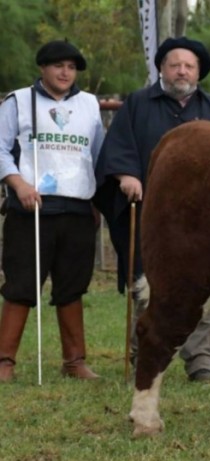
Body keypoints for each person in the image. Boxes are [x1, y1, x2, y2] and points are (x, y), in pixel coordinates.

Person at [94, 37, 210, 382]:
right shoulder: (138, 105)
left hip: (202, 220)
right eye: (175, 65)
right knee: (149, 286)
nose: (181, 71)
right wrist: (126, 175)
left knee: (202, 288)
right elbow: (119, 146)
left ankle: (200, 360)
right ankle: (144, 354)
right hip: (150, 214)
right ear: (161, 68)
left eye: (189, 66)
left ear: (198, 71)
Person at [0, 40, 104, 382]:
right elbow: (0, 149)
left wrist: (99, 199)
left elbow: (99, 154)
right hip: (30, 209)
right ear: (43, 68)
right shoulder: (18, 101)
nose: (65, 73)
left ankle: (74, 361)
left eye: (71, 67)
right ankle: (4, 362)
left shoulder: (89, 105)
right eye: (58, 66)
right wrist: (18, 184)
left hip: (77, 209)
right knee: (21, 285)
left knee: (72, 286)